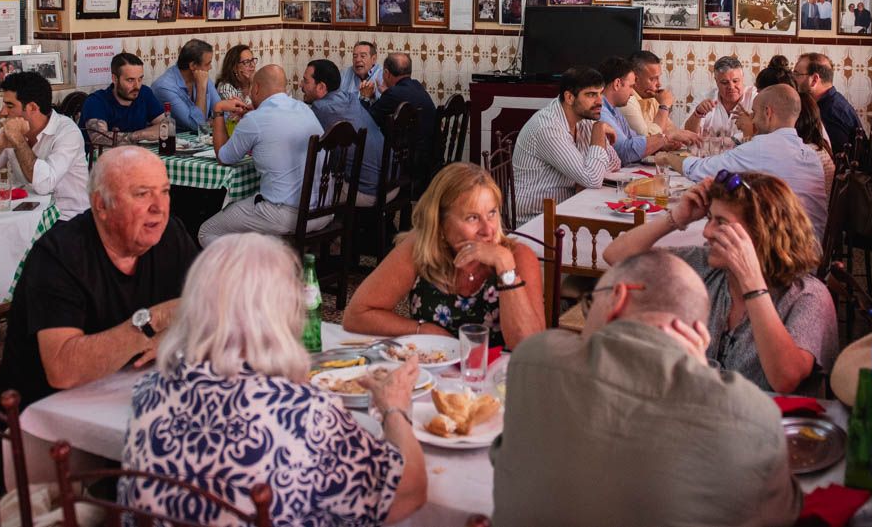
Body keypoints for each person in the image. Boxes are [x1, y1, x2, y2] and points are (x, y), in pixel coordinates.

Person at [123, 234, 426, 524]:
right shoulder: (307, 413)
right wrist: (394, 408)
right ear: (281, 313)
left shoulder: (148, 393)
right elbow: (407, 494)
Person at [491, 250, 800, 527]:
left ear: (618, 297)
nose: (587, 318)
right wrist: (699, 372)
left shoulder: (535, 360)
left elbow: (508, 458)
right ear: (697, 335)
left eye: (590, 303)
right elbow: (783, 514)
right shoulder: (752, 413)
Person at [0, 146, 200, 409]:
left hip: (131, 394)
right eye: (142, 194)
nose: (159, 208)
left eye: (165, 192)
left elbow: (210, 306)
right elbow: (63, 370)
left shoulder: (170, 235)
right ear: (101, 204)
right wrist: (156, 320)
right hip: (46, 419)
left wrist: (172, 337)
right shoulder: (58, 256)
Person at [605, 171, 837, 394]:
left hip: (771, 429)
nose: (707, 231)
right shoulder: (707, 266)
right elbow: (616, 257)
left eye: (721, 222)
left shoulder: (808, 297)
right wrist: (676, 218)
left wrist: (751, 280)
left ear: (761, 233)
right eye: (709, 219)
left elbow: (785, 379)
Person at [344, 162, 544, 349]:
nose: (488, 229)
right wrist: (423, 330)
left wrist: (505, 267)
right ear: (440, 223)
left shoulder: (518, 257)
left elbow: (529, 347)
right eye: (472, 218)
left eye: (492, 213)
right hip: (433, 378)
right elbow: (357, 315)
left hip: (500, 380)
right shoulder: (420, 248)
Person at [678, 84, 828, 242]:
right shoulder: (811, 155)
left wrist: (668, 157)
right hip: (812, 249)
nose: (753, 120)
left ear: (768, 112)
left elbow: (700, 170)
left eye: (754, 113)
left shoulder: (761, 148)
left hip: (782, 256)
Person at [197, 65, 324, 245]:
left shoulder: (255, 120)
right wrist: (253, 117)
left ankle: (249, 270)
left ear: (255, 88)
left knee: (207, 231)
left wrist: (218, 110)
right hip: (322, 210)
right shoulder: (304, 109)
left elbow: (224, 157)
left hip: (286, 215)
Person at [0, 71, 90, 219]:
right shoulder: (14, 129)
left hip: (67, 218)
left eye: (10, 105)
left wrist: (19, 141)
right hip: (26, 216)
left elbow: (44, 185)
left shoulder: (67, 132)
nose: (2, 112)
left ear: (32, 107)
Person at [511, 66, 619, 218]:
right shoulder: (548, 128)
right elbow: (593, 179)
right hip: (535, 218)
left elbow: (615, 162)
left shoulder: (584, 119)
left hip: (566, 209)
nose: (600, 101)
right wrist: (599, 131)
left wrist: (585, 176)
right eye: (591, 95)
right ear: (569, 98)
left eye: (600, 93)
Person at [301, 59, 384, 205]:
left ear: (321, 87)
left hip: (366, 192)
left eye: (305, 81)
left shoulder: (320, 109)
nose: (300, 85)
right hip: (389, 184)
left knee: (301, 190)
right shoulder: (351, 98)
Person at [597, 56, 693, 165]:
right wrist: (665, 137)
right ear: (617, 84)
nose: (632, 93)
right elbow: (625, 151)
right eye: (630, 86)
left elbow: (635, 139)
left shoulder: (614, 109)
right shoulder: (601, 111)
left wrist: (661, 144)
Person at [368, 53, 439, 194]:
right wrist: (387, 93)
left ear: (386, 73)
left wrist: (365, 98)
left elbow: (368, 120)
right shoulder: (417, 86)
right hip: (429, 157)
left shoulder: (393, 94)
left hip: (407, 164)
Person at [151, 39, 246, 133]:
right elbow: (196, 125)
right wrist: (201, 89)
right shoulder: (164, 87)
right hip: (173, 143)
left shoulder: (203, 77)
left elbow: (222, 112)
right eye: (207, 64)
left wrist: (213, 122)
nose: (210, 68)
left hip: (201, 140)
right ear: (192, 66)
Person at [80, 52, 169, 149]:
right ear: (115, 79)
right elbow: (99, 140)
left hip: (136, 156)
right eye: (130, 80)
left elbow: (166, 125)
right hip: (101, 161)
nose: (137, 86)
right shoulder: (96, 101)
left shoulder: (144, 93)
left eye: (140, 79)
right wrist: (140, 135)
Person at [794, 52, 864, 153]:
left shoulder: (830, 113)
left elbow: (835, 159)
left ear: (814, 80)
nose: (793, 79)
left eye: (797, 74)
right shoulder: (831, 101)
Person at [681, 55, 756, 143]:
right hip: (708, 155)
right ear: (716, 81)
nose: (731, 87)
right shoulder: (704, 98)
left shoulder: (755, 98)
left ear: (743, 79)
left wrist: (750, 126)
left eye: (735, 81)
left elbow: (766, 135)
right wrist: (697, 114)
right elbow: (688, 135)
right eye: (725, 82)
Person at [214, 43, 257, 120]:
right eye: (246, 62)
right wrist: (252, 86)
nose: (252, 65)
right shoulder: (225, 88)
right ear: (234, 68)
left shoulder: (260, 83)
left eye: (252, 60)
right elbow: (238, 116)